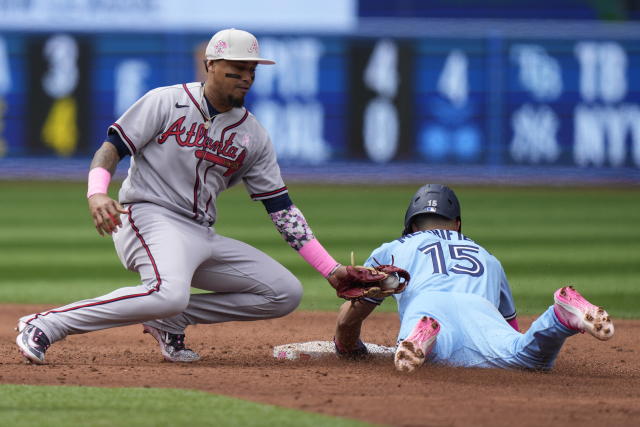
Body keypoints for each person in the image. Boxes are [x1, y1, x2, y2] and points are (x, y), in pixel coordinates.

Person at [16, 28, 348, 365]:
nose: (246, 78)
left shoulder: (254, 135)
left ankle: (170, 319)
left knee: (284, 293)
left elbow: (281, 209)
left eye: (251, 70)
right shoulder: (165, 101)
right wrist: (97, 194)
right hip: (147, 216)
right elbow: (111, 148)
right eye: (237, 69)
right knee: (168, 292)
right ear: (211, 65)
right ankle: (45, 324)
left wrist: (331, 269)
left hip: (200, 233)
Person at [333, 184, 614, 372]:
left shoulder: (393, 249)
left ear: (412, 224)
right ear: (457, 224)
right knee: (526, 356)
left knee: (436, 352)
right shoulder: (488, 257)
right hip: (481, 310)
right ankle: (559, 318)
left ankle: (423, 336)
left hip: (425, 306)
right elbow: (511, 329)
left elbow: (349, 321)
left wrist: (349, 348)